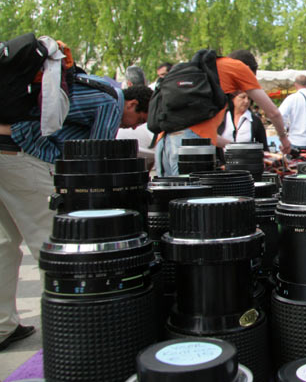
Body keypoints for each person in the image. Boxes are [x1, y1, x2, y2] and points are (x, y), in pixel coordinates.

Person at [0, 79, 152, 350]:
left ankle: (3, 326)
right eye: (137, 118)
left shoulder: (92, 88)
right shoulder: (110, 103)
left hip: (5, 147)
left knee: (4, 243)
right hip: (20, 152)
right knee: (55, 241)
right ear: (131, 103)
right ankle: (71, 334)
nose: (133, 127)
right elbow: (96, 158)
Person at [154, 50, 290, 176]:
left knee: (168, 196)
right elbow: (273, 112)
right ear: (249, 69)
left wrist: (237, 146)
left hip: (164, 141)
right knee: (191, 196)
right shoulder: (239, 68)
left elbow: (207, 134)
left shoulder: (209, 74)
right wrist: (283, 139)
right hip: (192, 148)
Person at [278, 75, 306, 150]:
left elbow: (280, 115)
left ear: (295, 85)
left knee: (296, 161)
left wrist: (285, 129)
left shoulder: (291, 98)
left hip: (296, 140)